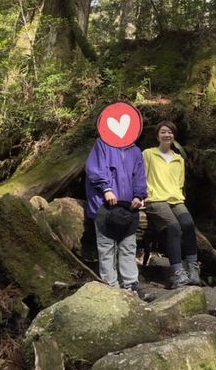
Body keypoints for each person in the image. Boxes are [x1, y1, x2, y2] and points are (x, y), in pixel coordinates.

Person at [84, 136, 154, 301]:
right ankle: (111, 286)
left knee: (128, 246)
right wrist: (106, 188)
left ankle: (131, 284)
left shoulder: (135, 150)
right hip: (104, 206)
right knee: (107, 247)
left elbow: (139, 175)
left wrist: (139, 195)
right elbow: (93, 168)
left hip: (127, 208)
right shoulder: (102, 144)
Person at [143, 120, 201, 289]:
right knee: (174, 227)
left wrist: (178, 194)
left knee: (188, 225)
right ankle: (178, 273)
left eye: (170, 132)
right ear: (157, 135)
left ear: (174, 136)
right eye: (163, 132)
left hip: (175, 199)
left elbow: (179, 183)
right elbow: (140, 175)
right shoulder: (148, 154)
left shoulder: (178, 159)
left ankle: (193, 269)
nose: (167, 135)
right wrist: (140, 196)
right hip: (155, 199)